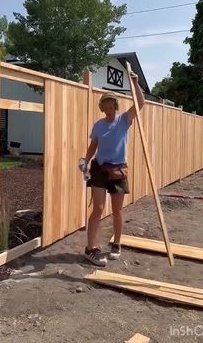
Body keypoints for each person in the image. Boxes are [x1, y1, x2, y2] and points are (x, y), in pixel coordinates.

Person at [80, 71, 145, 266]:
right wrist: (84, 161)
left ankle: (116, 243)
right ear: (102, 108)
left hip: (118, 170)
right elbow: (93, 147)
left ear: (116, 106)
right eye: (105, 107)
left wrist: (135, 83)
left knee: (117, 210)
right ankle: (90, 249)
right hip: (99, 168)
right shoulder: (98, 125)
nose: (108, 110)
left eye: (111, 107)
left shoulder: (124, 119)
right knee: (98, 208)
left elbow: (140, 104)